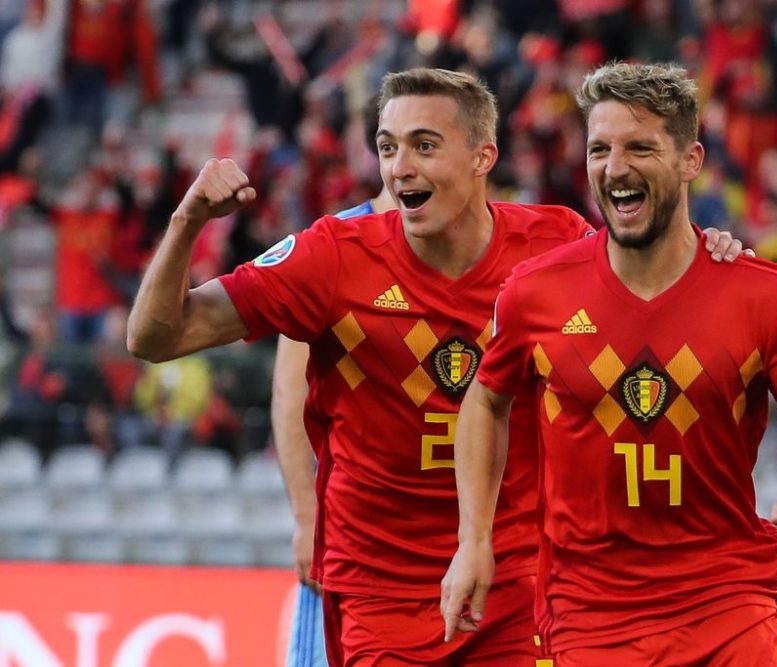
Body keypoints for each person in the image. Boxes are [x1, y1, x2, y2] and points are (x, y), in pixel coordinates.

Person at [127, 67, 745, 666]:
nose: (401, 167)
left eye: (425, 146)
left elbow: (656, 285)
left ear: (483, 158)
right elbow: (157, 337)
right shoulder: (331, 258)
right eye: (388, 147)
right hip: (379, 588)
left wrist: (710, 251)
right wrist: (186, 224)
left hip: (519, 576)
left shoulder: (555, 244)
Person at [440, 62, 777, 665]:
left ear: (690, 161)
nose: (615, 168)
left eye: (640, 148)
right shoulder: (536, 293)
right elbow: (485, 399)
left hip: (727, 606)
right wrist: (473, 539)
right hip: (588, 618)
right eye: (599, 149)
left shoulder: (765, 295)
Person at [272, 98, 396, 667]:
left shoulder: (494, 246)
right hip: (350, 534)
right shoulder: (332, 245)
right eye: (396, 144)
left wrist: (708, 245)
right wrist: (306, 517)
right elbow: (290, 391)